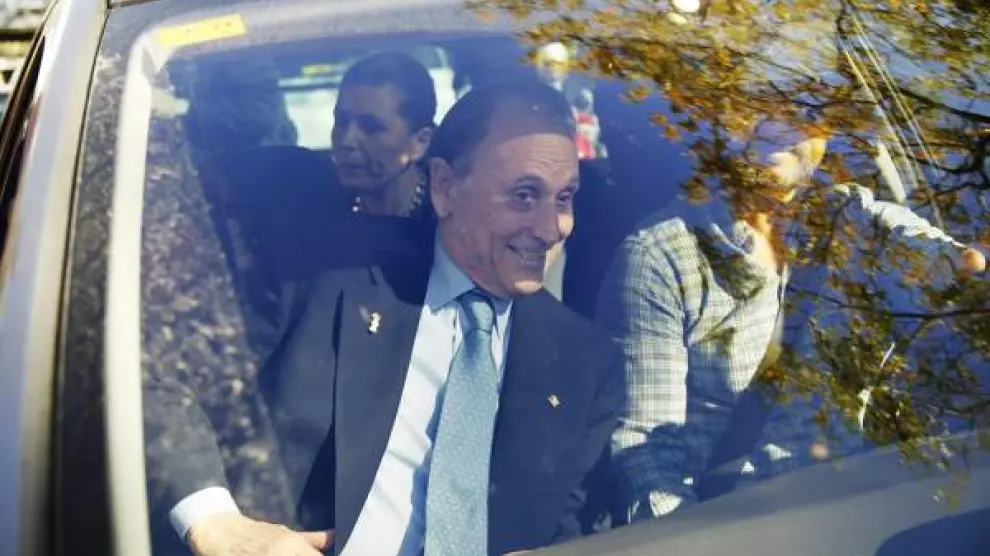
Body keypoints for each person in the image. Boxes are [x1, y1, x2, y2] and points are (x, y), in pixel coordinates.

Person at [143, 80, 625, 556]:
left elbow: (573, 525)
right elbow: (159, 375)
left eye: (564, 197)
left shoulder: (584, 363)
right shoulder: (321, 272)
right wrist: (216, 522)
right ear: (444, 187)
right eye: (524, 195)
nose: (552, 228)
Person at [596, 127, 987, 524]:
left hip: (851, 515)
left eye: (806, 114)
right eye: (750, 101)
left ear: (827, 132)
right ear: (715, 119)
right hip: (719, 525)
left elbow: (928, 250)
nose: (778, 123)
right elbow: (645, 458)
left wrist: (963, 264)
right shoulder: (660, 258)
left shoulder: (849, 222)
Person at [331, 51, 438, 218]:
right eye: (341, 122)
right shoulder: (319, 211)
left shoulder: (451, 215)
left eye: (371, 127)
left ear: (420, 142)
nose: (347, 141)